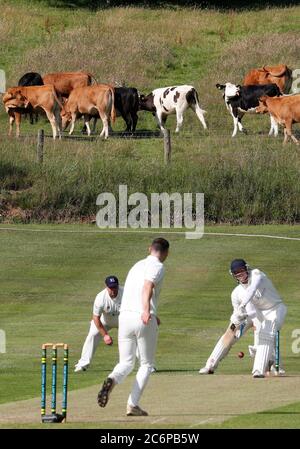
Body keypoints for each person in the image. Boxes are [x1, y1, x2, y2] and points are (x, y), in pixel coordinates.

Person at [97, 237, 169, 416]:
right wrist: (146, 311)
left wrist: (150, 312)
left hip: (125, 317)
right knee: (146, 364)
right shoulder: (158, 266)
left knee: (126, 362)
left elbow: (133, 292)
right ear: (166, 253)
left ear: (149, 248)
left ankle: (112, 379)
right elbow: (147, 288)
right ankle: (132, 404)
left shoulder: (136, 265)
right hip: (142, 317)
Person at [199, 259, 286, 377]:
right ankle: (210, 365)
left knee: (265, 334)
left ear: (247, 268)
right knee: (230, 332)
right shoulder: (236, 293)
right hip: (252, 314)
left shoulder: (257, 274)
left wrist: (243, 307)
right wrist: (236, 320)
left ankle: (259, 370)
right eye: (236, 273)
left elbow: (252, 288)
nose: (240, 274)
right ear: (233, 275)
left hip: (274, 309)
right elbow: (245, 314)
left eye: (241, 270)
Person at [74, 276, 123, 372]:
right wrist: (105, 335)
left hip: (123, 321)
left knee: (135, 335)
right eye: (110, 288)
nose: (113, 290)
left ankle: (146, 365)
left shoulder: (127, 293)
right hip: (104, 321)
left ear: (118, 286)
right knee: (92, 334)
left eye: (115, 287)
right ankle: (83, 364)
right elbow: (96, 318)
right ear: (106, 287)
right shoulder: (100, 298)